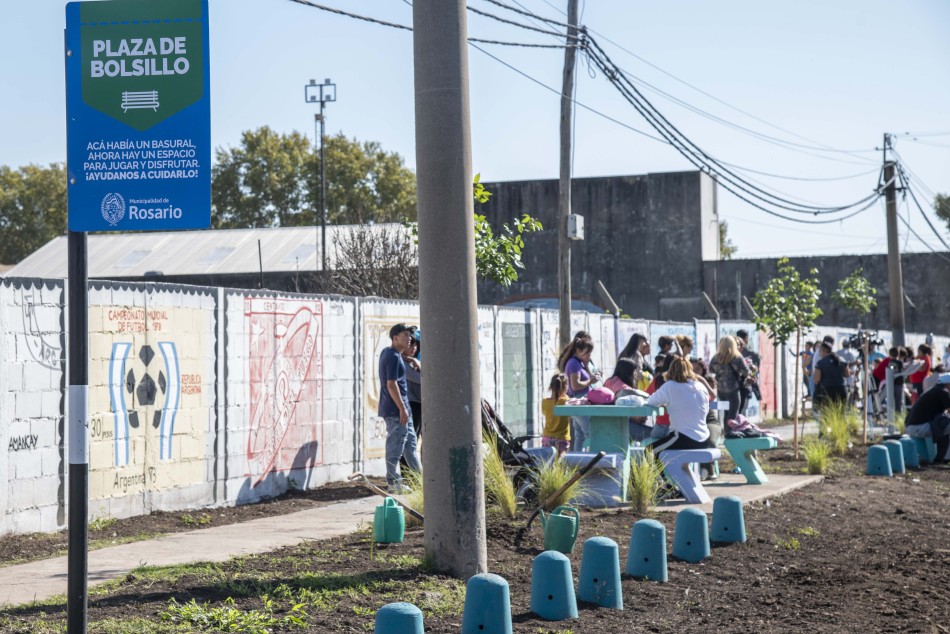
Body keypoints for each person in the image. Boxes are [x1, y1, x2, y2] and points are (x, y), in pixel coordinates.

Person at [378, 323, 422, 492]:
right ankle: (393, 482)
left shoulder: (392, 354)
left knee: (410, 446)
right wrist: (403, 409)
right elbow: (391, 385)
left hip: (404, 410)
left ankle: (420, 480)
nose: (409, 338)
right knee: (395, 445)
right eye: (405, 335)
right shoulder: (393, 356)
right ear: (395, 338)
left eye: (409, 336)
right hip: (396, 411)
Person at [647, 356, 713, 459]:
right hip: (704, 439)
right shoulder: (701, 386)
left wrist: (668, 404)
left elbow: (651, 401)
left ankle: (660, 476)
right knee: (663, 451)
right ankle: (666, 475)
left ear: (671, 370)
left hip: (683, 437)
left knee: (648, 451)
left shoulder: (670, 385)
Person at [904, 375, 950, 464]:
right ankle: (944, 459)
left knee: (945, 424)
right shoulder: (943, 392)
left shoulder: (933, 390)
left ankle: (943, 458)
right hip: (919, 427)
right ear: (948, 384)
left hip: (913, 426)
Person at [563, 338, 599, 451]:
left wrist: (587, 366)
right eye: (586, 353)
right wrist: (590, 381)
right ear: (578, 351)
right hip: (578, 403)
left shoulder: (579, 363)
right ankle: (593, 460)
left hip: (580, 402)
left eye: (590, 353)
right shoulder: (573, 363)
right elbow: (575, 385)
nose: (588, 356)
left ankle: (578, 461)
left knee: (580, 436)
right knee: (590, 433)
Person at [605, 357, 651, 442]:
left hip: (606, 423)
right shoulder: (624, 389)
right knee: (652, 434)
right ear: (628, 372)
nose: (635, 374)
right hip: (621, 426)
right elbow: (637, 416)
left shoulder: (608, 382)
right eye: (634, 371)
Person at [709, 336, 750, 423]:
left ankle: (727, 432)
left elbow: (711, 369)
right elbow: (746, 371)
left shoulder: (716, 358)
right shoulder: (737, 357)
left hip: (720, 390)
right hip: (733, 389)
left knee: (726, 412)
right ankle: (731, 432)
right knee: (733, 412)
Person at [813, 341, 850, 411]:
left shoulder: (821, 363)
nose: (819, 353)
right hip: (842, 389)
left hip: (827, 390)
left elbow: (816, 379)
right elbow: (847, 375)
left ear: (824, 351)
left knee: (828, 413)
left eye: (820, 351)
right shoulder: (841, 360)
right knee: (841, 413)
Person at [540, 373, 571, 456]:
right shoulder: (566, 401)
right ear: (565, 388)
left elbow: (545, 413)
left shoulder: (545, 402)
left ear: (550, 387)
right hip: (562, 439)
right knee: (561, 465)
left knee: (548, 463)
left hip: (547, 438)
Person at [403, 327, 423, 440]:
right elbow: (422, 379)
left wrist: (414, 361)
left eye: (416, 345)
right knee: (411, 441)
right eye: (412, 345)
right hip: (411, 404)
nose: (414, 348)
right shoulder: (402, 363)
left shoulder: (411, 361)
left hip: (417, 403)